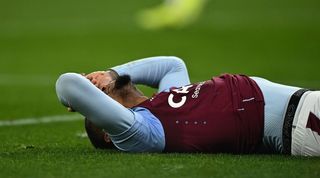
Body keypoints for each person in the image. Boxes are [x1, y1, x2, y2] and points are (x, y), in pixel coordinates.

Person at [55, 56, 320, 156]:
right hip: (302, 123)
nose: (99, 90)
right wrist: (78, 94)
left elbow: (173, 64)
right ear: (110, 132)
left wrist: (111, 73)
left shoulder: (163, 100)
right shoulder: (146, 132)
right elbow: (68, 84)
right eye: (98, 101)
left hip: (306, 103)